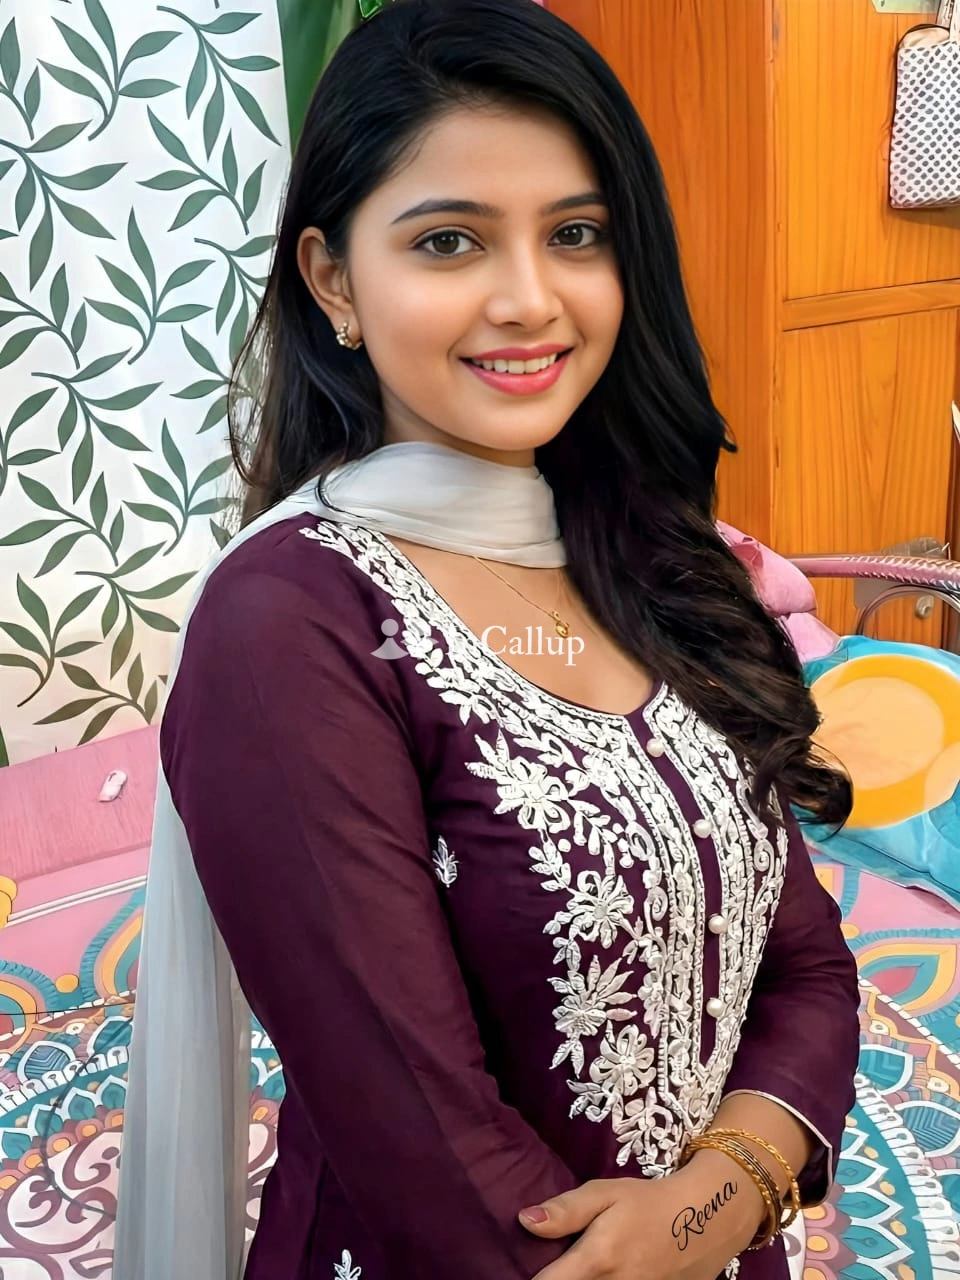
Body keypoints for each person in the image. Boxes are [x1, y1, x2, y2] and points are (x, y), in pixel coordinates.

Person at [112, 1, 862, 1278]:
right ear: (333, 280)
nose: (529, 299)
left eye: (576, 233)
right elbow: (426, 1150)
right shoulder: (291, 625)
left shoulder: (648, 552)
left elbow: (806, 965)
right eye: (449, 240)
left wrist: (723, 1194)